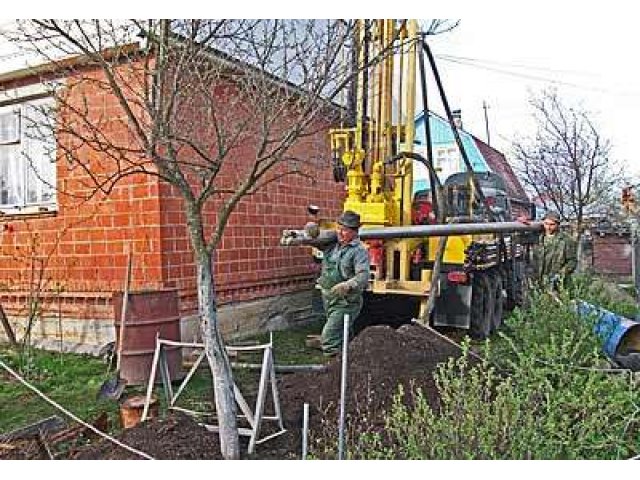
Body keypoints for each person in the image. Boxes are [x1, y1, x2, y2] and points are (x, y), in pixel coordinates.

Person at [312, 210, 371, 356]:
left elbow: (363, 276)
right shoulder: (331, 246)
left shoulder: (359, 251)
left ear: (354, 232)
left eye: (344, 230)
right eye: (338, 228)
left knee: (329, 338)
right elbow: (314, 242)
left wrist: (348, 285)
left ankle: (333, 368)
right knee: (343, 335)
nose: (340, 232)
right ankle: (348, 364)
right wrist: (311, 232)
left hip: (346, 302)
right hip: (329, 299)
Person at [532, 211, 577, 289]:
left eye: (552, 225)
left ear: (558, 224)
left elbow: (572, 261)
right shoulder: (537, 238)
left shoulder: (566, 240)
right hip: (539, 281)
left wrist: (561, 274)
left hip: (559, 284)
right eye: (546, 224)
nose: (548, 227)